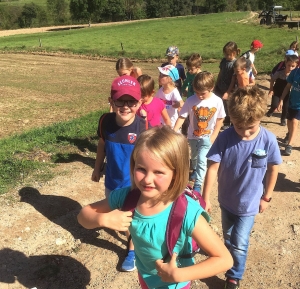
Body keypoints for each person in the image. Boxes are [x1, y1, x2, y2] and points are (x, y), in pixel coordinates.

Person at [78, 126, 233, 289]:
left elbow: (224, 259)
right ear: (133, 165)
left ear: (176, 174)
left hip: (175, 284)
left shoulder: (186, 212)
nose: (147, 179)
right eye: (141, 169)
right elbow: (83, 216)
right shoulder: (127, 197)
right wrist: (102, 219)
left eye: (159, 172)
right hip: (145, 278)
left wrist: (179, 274)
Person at [202, 86, 282, 289]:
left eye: (251, 128)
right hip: (226, 200)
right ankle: (229, 258)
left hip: (249, 203)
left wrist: (267, 197)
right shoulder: (225, 138)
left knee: (240, 242)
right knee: (228, 236)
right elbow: (212, 167)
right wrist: (205, 198)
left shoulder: (268, 140)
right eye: (239, 127)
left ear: (260, 119)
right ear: (232, 119)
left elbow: (273, 169)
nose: (245, 133)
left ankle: (234, 275)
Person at [91, 75, 147, 272]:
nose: (125, 106)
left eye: (131, 101)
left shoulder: (143, 127)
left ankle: (132, 251)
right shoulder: (105, 121)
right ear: (111, 102)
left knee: (131, 219)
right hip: (111, 182)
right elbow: (102, 145)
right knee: (117, 215)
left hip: (133, 185)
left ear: (139, 103)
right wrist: (97, 167)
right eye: (120, 101)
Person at [174, 72, 225, 192]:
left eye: (202, 93)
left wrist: (214, 135)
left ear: (211, 88)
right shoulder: (191, 100)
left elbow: (220, 119)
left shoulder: (217, 101)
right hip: (192, 135)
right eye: (196, 92)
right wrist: (174, 130)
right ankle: (196, 170)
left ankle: (198, 184)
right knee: (195, 157)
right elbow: (182, 116)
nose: (199, 96)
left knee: (202, 159)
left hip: (208, 137)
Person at [214, 41, 240, 129]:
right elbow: (220, 73)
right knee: (218, 104)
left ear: (234, 53)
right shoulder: (224, 61)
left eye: (228, 55)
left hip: (229, 89)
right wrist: (216, 84)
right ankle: (218, 120)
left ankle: (228, 123)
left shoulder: (236, 64)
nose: (226, 56)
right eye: (225, 54)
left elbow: (233, 79)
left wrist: (228, 92)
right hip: (220, 86)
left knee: (228, 106)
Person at [267, 54, 298, 126]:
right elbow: (272, 80)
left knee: (286, 107)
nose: (290, 68)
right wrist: (271, 89)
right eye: (288, 65)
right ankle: (271, 110)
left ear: (296, 66)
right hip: (277, 90)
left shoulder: (294, 75)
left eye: (293, 66)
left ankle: (283, 119)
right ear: (285, 63)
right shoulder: (280, 73)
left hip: (287, 93)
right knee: (274, 104)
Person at [277, 65, 300, 156]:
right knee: (289, 121)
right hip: (292, 102)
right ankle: (289, 134)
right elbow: (288, 86)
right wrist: (281, 99)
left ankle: (289, 146)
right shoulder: (295, 72)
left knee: (294, 121)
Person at [181, 53, 202, 135]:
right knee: (187, 117)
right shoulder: (189, 74)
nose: (189, 71)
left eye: (191, 69)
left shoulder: (200, 76)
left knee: (196, 118)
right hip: (190, 98)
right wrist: (183, 90)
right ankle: (186, 134)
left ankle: (197, 133)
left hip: (198, 100)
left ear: (198, 67)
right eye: (188, 68)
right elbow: (185, 83)